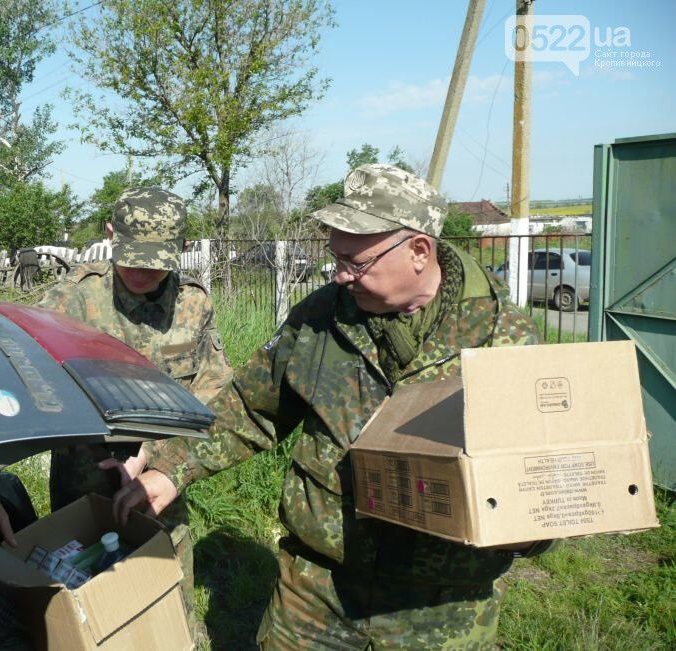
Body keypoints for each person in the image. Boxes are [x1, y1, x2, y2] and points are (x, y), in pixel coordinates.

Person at [113, 165, 550, 649]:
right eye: (335, 257)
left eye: (355, 262)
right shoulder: (321, 318)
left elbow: (539, 470)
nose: (341, 275)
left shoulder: (503, 338)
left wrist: (529, 528)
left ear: (419, 252)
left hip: (440, 604)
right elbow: (253, 407)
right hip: (317, 586)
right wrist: (172, 470)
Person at [0, 186, 233, 636]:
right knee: (88, 597)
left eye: (156, 261)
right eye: (132, 255)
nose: (141, 270)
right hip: (82, 480)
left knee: (169, 601)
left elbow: (214, 390)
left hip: (160, 476)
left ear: (180, 250)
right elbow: (4, 389)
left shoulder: (193, 302)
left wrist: (154, 456)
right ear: (110, 234)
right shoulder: (72, 300)